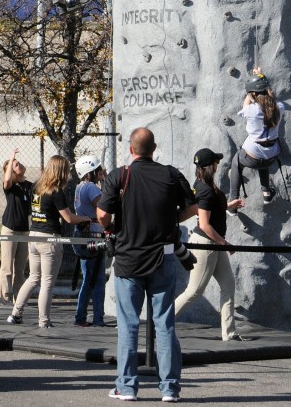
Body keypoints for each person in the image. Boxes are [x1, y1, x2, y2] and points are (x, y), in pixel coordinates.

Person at [97, 127, 196, 403]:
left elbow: (103, 215)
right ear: (155, 149)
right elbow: (193, 206)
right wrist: (171, 219)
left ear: (131, 150)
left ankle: (127, 387)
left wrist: (109, 225)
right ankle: (170, 389)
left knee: (128, 325)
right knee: (165, 324)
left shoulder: (120, 175)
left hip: (128, 260)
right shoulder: (171, 174)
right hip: (163, 258)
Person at [175, 148, 250, 342]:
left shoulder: (202, 185)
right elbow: (205, 224)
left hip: (214, 243)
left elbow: (209, 211)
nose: (219, 164)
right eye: (216, 162)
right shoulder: (206, 191)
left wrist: (228, 206)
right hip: (207, 243)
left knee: (228, 284)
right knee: (194, 291)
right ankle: (160, 322)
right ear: (210, 167)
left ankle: (229, 333)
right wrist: (224, 243)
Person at [8, 155, 91, 329]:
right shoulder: (55, 191)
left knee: (33, 278)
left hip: (34, 235)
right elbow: (68, 218)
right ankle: (44, 321)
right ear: (61, 171)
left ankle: (16, 314)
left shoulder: (37, 186)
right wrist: (85, 218)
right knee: (47, 282)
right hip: (50, 239)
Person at [229, 69, 285, 203]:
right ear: (267, 90)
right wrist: (262, 77)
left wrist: (250, 92)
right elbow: (270, 97)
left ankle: (233, 200)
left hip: (252, 156)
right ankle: (266, 192)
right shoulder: (280, 107)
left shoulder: (250, 110)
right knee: (263, 159)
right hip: (272, 155)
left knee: (236, 162)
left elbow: (246, 104)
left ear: (252, 93)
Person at [73, 154, 106, 327]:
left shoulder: (80, 187)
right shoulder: (92, 188)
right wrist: (106, 182)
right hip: (94, 235)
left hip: (85, 235)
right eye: (97, 170)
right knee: (96, 280)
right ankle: (96, 318)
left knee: (89, 277)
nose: (100, 171)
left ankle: (82, 316)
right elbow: (104, 206)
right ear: (90, 172)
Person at [0, 148, 33, 305]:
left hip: (25, 231)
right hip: (10, 229)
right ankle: (5, 298)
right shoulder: (10, 186)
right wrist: (11, 158)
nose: (19, 165)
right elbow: (6, 181)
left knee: (20, 268)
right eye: (15, 165)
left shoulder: (29, 186)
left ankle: (18, 299)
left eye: (19, 163)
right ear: (10, 171)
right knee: (7, 267)